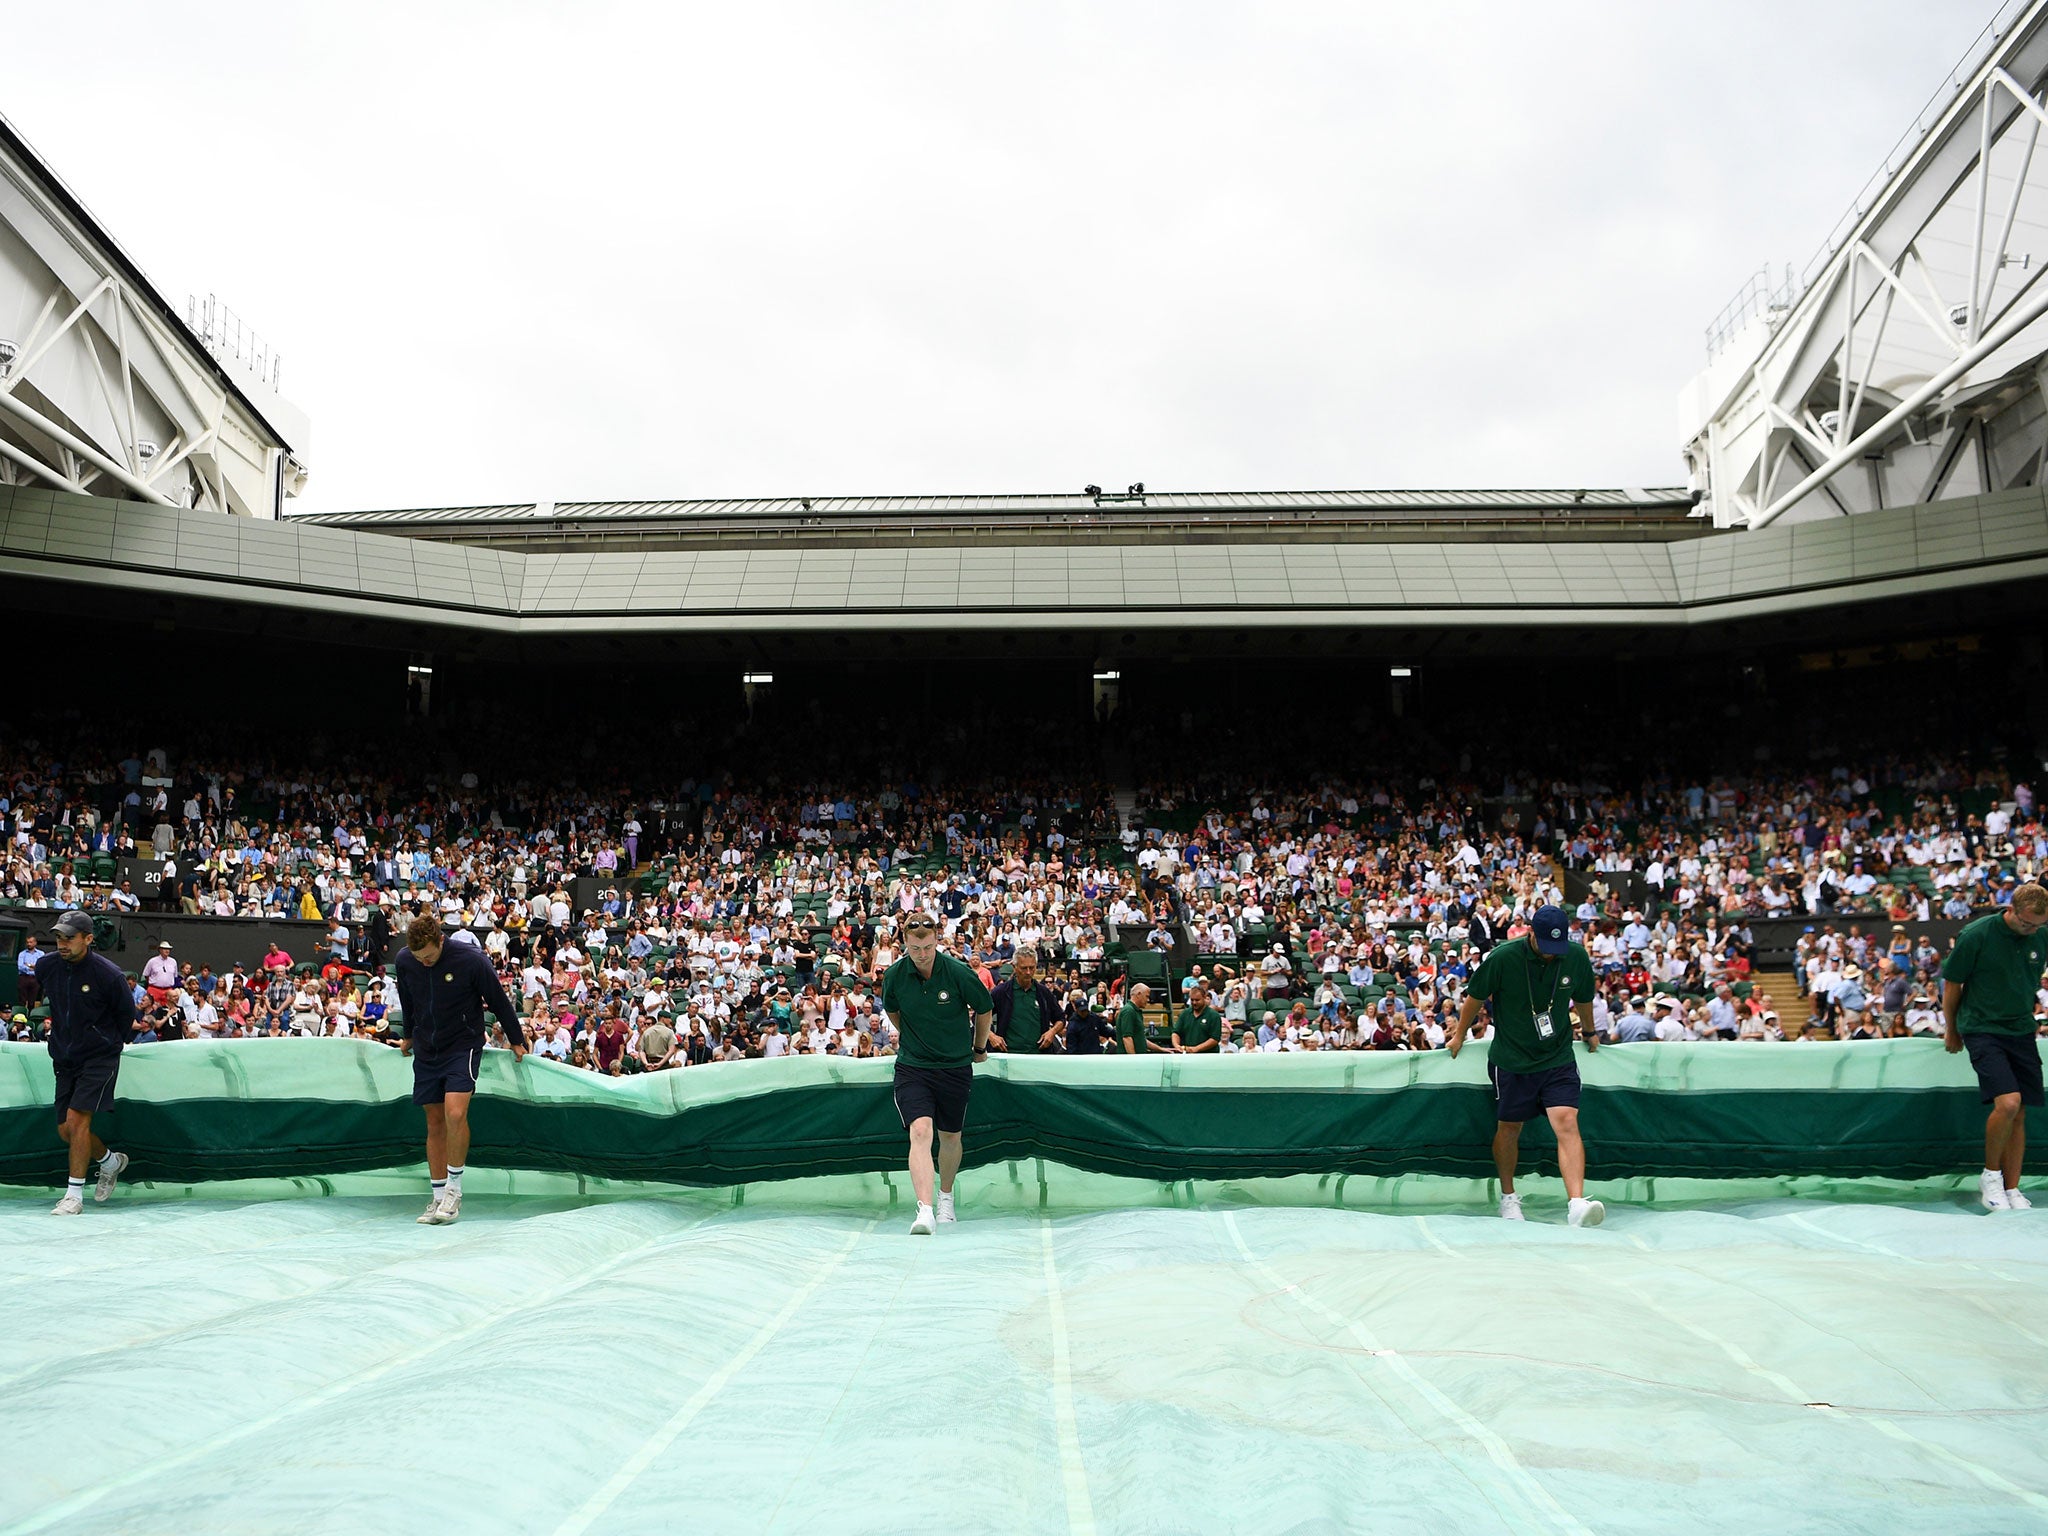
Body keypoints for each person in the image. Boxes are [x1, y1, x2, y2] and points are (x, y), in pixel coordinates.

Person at [1449, 904, 1604, 1227]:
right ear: (1530, 933)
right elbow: (1475, 997)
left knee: (1567, 1121)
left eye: (1556, 948)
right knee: (1509, 1127)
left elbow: (1584, 998)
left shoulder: (1574, 956)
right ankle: (1508, 1197)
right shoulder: (1504, 958)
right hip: (1512, 1058)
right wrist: (1459, 1035)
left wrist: (1589, 1031)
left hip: (1557, 1056)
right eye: (1546, 947)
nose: (1551, 954)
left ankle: (1576, 1203)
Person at [393, 913, 528, 1226]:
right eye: (418, 958)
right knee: (434, 1119)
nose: (424, 963)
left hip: (462, 1046)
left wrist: (516, 1039)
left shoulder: (471, 960)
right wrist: (409, 1034)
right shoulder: (405, 961)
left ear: (441, 940)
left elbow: (499, 1001)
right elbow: (407, 999)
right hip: (426, 1047)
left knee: (455, 1113)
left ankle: (454, 1190)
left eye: (429, 956)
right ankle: (438, 1195)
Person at [879, 912, 992, 1235]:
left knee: (951, 1136)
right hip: (914, 1067)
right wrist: (914, 1036)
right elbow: (892, 1009)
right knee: (920, 1131)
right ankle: (925, 1209)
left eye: (927, 947)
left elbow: (984, 1008)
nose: (922, 955)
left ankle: (945, 1196)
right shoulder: (895, 976)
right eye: (915, 949)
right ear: (905, 943)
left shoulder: (958, 973)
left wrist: (979, 1048)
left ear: (936, 941)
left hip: (955, 1066)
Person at [1941, 881, 2048, 1211]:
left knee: (2021, 1112)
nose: (2031, 930)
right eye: (2026, 923)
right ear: (2011, 910)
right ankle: (1990, 1176)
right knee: (2008, 1103)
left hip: (2021, 1029)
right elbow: (1952, 984)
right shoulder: (1977, 935)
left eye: (2038, 925)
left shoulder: (2040, 935)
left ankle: (2012, 1187)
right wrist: (1952, 1029)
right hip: (1982, 1028)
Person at [36, 911, 132, 1215]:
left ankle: (74, 1196)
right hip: (64, 1057)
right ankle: (110, 1161)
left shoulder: (109, 975)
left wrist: (103, 1042)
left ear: (88, 939)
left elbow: (125, 1017)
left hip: (99, 1057)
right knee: (66, 1130)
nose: (62, 943)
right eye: (59, 937)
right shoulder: (46, 966)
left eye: (70, 938)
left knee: (78, 1122)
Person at [989, 945, 1062, 1055]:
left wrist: (1052, 1032)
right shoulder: (1001, 992)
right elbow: (979, 1017)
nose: (1028, 972)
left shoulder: (1044, 993)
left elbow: (1060, 1019)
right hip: (1008, 1055)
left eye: (1032, 968)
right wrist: (991, 1036)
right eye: (1024, 968)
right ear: (1014, 967)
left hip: (1038, 1055)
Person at [1172, 979, 1223, 1054]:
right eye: (1192, 1000)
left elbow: (1214, 1039)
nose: (1194, 1002)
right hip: (1188, 1055)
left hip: (1208, 1056)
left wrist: (1196, 1049)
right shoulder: (1185, 1013)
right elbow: (1176, 1033)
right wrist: (1176, 1045)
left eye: (1197, 1000)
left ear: (1204, 997)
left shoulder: (1213, 1015)